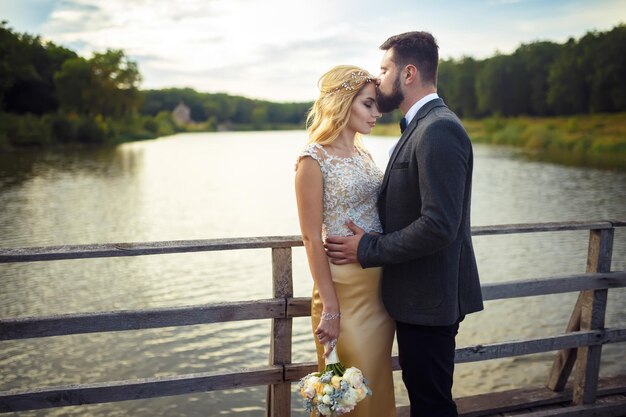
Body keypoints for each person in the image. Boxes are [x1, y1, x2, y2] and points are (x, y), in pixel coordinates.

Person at [324, 32, 484, 417]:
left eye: (384, 70)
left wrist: (369, 248)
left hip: (430, 299)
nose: (379, 81)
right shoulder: (421, 126)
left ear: (408, 73)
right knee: (425, 399)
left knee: (431, 405)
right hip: (418, 298)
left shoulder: (438, 129)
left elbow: (439, 225)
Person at [295, 65, 396, 417]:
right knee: (351, 388)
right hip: (342, 290)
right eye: (369, 104)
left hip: (378, 289)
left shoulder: (365, 156)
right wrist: (332, 309)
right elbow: (310, 237)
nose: (377, 113)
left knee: (378, 380)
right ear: (343, 103)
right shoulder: (313, 159)